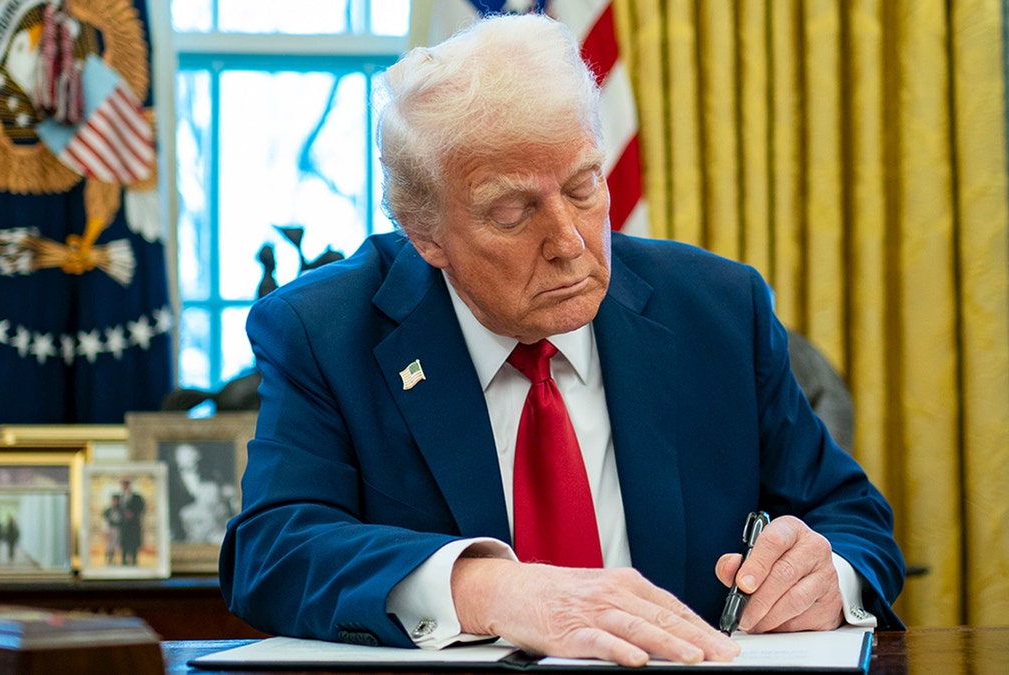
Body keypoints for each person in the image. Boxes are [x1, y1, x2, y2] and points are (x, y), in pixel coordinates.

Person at [219, 13, 904, 667]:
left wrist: (827, 574)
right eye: (513, 210)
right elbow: (274, 551)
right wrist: (493, 590)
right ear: (423, 230)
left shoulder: (718, 309)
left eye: (584, 186)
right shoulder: (325, 330)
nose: (570, 242)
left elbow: (852, 517)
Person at [117, 478, 145, 565]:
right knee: (124, 542)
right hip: (124, 524)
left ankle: (134, 559)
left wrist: (133, 513)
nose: (125, 487)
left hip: (134, 524)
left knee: (133, 542)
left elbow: (141, 507)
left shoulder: (137, 497)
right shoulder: (120, 497)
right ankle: (124, 559)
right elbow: (117, 509)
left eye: (126, 485)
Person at [103, 493, 124, 564]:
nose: (114, 501)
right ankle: (109, 558)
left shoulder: (121, 510)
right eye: (113, 500)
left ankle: (113, 559)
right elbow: (105, 520)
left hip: (117, 529)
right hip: (110, 528)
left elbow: (122, 520)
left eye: (116, 500)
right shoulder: (108, 509)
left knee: (115, 545)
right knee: (109, 545)